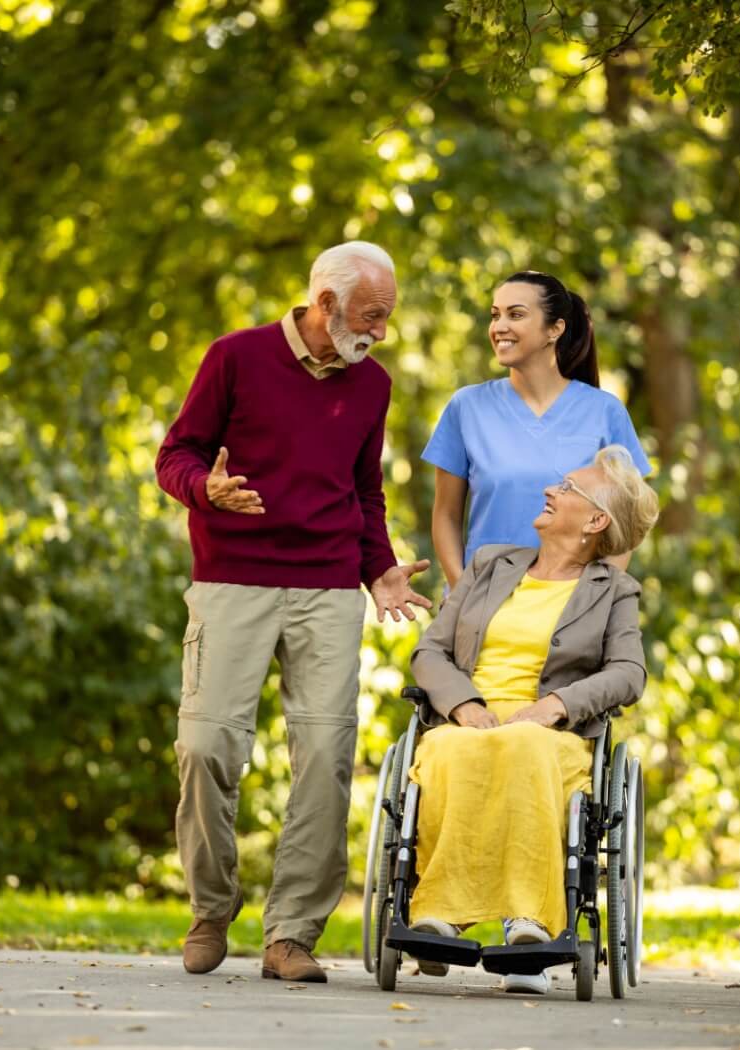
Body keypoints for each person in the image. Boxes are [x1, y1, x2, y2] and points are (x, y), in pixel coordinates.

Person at [155, 241, 432, 983]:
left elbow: (363, 491)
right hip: (233, 580)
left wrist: (379, 571)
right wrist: (204, 490)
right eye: (372, 315)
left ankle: (291, 935)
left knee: (326, 756)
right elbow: (176, 454)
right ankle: (212, 908)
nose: (380, 332)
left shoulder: (372, 384)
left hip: (327, 589)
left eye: (386, 317)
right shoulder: (235, 357)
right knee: (206, 746)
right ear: (327, 302)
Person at [406, 446, 659, 994]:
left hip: (552, 734)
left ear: (595, 522)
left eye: (567, 488)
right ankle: (439, 913)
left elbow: (629, 673)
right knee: (446, 748)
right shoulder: (489, 564)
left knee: (523, 744)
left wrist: (555, 706)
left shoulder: (614, 591)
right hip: (470, 721)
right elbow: (430, 652)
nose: (550, 490)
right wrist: (465, 705)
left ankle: (531, 921)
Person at [422, 270, 652, 587]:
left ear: (555, 329)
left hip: (570, 605)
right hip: (482, 599)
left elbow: (626, 521)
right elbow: (446, 515)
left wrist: (595, 597)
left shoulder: (604, 411)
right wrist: (463, 594)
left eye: (515, 314)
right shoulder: (467, 407)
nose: (499, 327)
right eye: (495, 315)